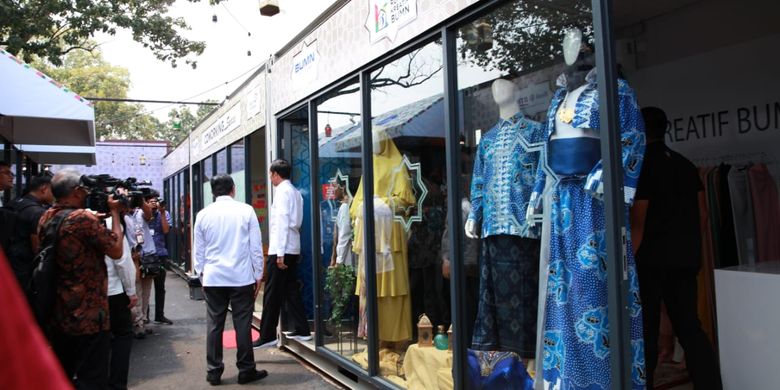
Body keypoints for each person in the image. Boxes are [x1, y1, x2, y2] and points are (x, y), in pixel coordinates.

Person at [631, 106, 723, 389]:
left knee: (646, 329)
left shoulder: (641, 166)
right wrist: (689, 247)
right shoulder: (685, 164)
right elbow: (703, 215)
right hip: (684, 257)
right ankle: (709, 383)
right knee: (689, 325)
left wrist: (629, 261)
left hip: (651, 260)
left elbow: (639, 222)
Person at [39, 169, 124, 388]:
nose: (88, 194)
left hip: (59, 312)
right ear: (76, 192)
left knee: (65, 375)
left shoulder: (47, 216)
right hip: (89, 315)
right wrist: (115, 214)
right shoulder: (81, 219)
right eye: (85, 190)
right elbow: (116, 250)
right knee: (92, 378)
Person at [194, 174, 266, 386]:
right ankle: (246, 370)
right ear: (233, 189)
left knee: (214, 324)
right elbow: (255, 246)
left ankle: (214, 371)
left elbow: (199, 251)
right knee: (242, 323)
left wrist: (201, 274)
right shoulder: (246, 211)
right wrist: (258, 274)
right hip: (240, 277)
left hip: (213, 277)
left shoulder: (203, 215)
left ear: (212, 192)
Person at [255, 159, 311, 348]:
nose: (270, 178)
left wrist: (279, 254)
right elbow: (296, 222)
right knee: (290, 289)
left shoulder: (282, 192)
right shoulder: (295, 192)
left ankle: (267, 335)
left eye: (271, 174)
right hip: (292, 246)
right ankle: (302, 329)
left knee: (271, 293)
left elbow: (281, 223)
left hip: (282, 248)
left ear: (276, 174)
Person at [104, 207, 138, 390]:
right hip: (114, 291)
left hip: (85, 294)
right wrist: (131, 291)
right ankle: (117, 383)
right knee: (122, 335)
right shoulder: (111, 225)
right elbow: (122, 262)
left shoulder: (62, 219)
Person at [6, 174, 54, 288]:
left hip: (7, 259)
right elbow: (36, 246)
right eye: (53, 191)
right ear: (44, 189)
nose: (55, 196)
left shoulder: (14, 202)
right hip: (23, 265)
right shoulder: (38, 212)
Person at [149, 196, 173, 325]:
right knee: (145, 287)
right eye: (151, 201)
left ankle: (160, 315)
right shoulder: (141, 213)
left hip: (160, 253)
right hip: (145, 254)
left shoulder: (164, 213)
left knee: (160, 287)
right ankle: (144, 317)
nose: (154, 203)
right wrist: (148, 210)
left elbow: (165, 230)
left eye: (155, 201)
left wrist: (162, 212)